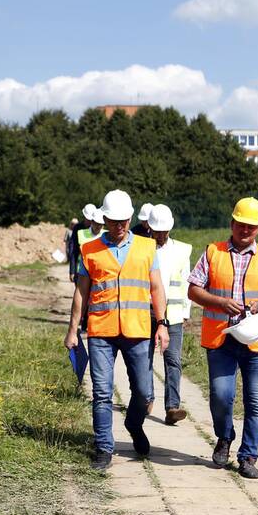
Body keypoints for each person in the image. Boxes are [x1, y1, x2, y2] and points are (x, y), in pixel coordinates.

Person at [65, 189, 171, 471]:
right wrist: (73, 329)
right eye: (113, 220)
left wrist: (162, 323)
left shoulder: (147, 248)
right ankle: (103, 448)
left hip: (137, 330)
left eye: (124, 220)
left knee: (144, 392)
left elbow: (157, 288)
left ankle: (134, 425)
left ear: (130, 217)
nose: (119, 225)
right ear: (105, 218)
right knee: (101, 392)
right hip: (102, 331)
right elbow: (81, 293)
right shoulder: (90, 250)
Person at [187, 197, 258, 480]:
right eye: (241, 224)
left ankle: (248, 456)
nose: (246, 230)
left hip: (257, 343)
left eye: (252, 227)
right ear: (232, 223)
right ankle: (224, 437)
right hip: (221, 339)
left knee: (255, 401)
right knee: (221, 396)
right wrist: (220, 303)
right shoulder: (212, 252)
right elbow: (193, 291)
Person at [147, 204, 191, 425]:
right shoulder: (142, 249)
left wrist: (186, 311)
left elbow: (186, 283)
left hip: (173, 315)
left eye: (164, 231)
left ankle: (172, 406)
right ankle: (146, 398)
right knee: (142, 359)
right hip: (145, 314)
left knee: (172, 360)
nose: (161, 235)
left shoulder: (182, 251)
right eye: (157, 231)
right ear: (150, 228)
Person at [67, 204, 104, 282]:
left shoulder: (101, 232)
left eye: (91, 220)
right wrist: (72, 271)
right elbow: (73, 251)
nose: (90, 222)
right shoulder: (78, 229)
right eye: (88, 219)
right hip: (80, 271)